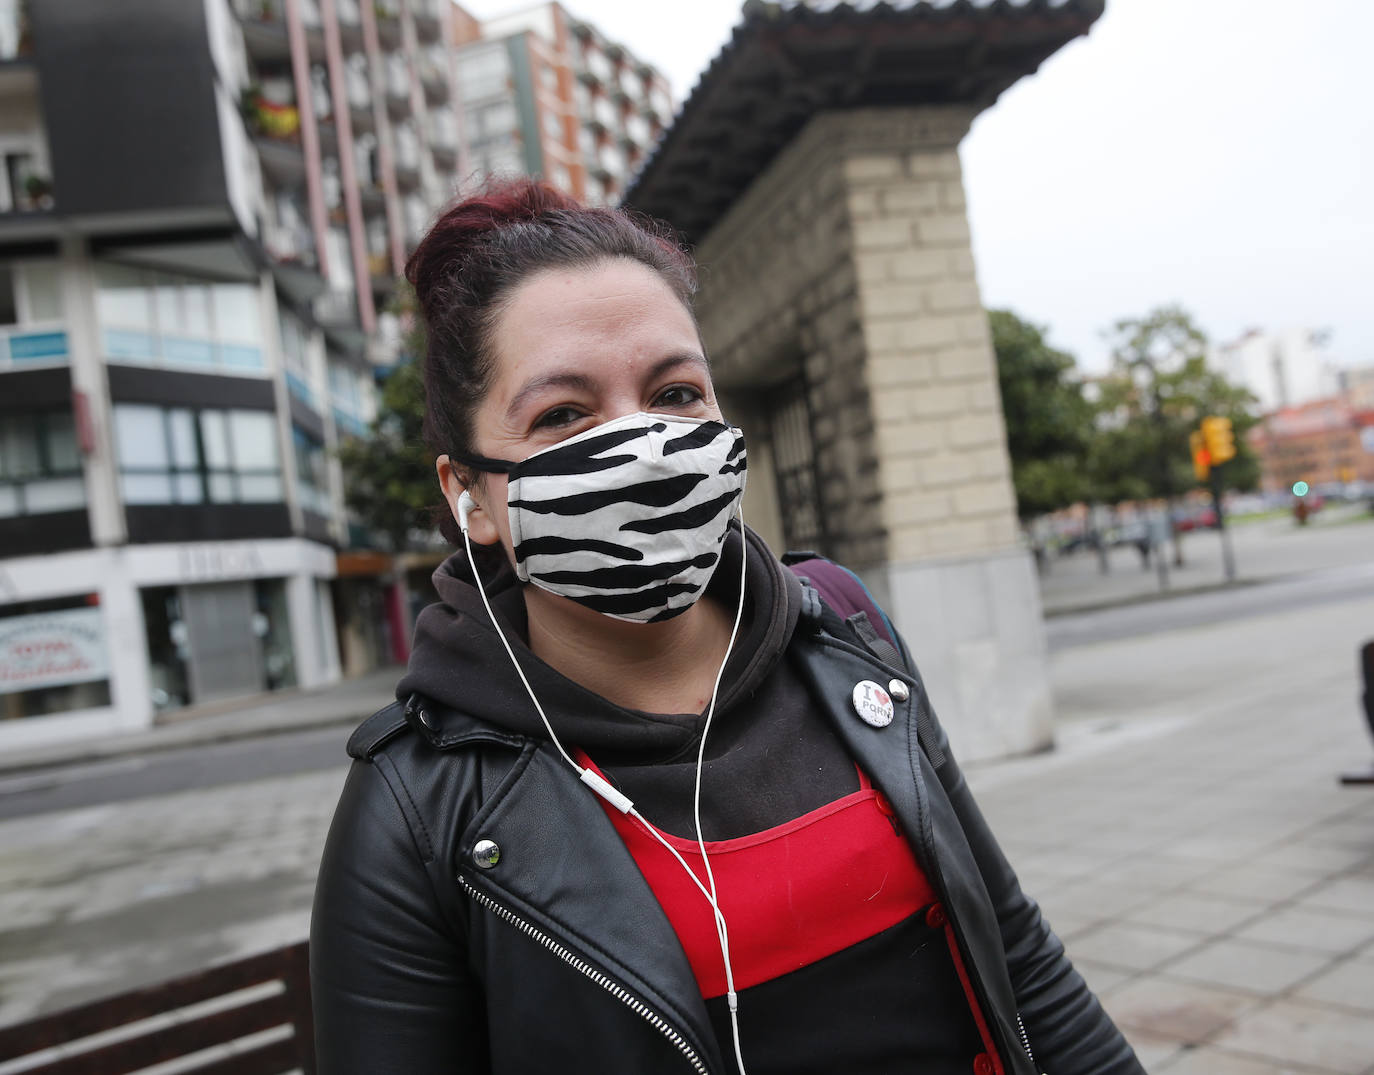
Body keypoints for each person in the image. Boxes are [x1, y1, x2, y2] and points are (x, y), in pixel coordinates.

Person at [310, 178, 1144, 1075]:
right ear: (469, 493)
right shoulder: (415, 804)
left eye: (675, 393)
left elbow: (1015, 951)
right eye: (562, 414)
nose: (643, 447)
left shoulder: (842, 631)